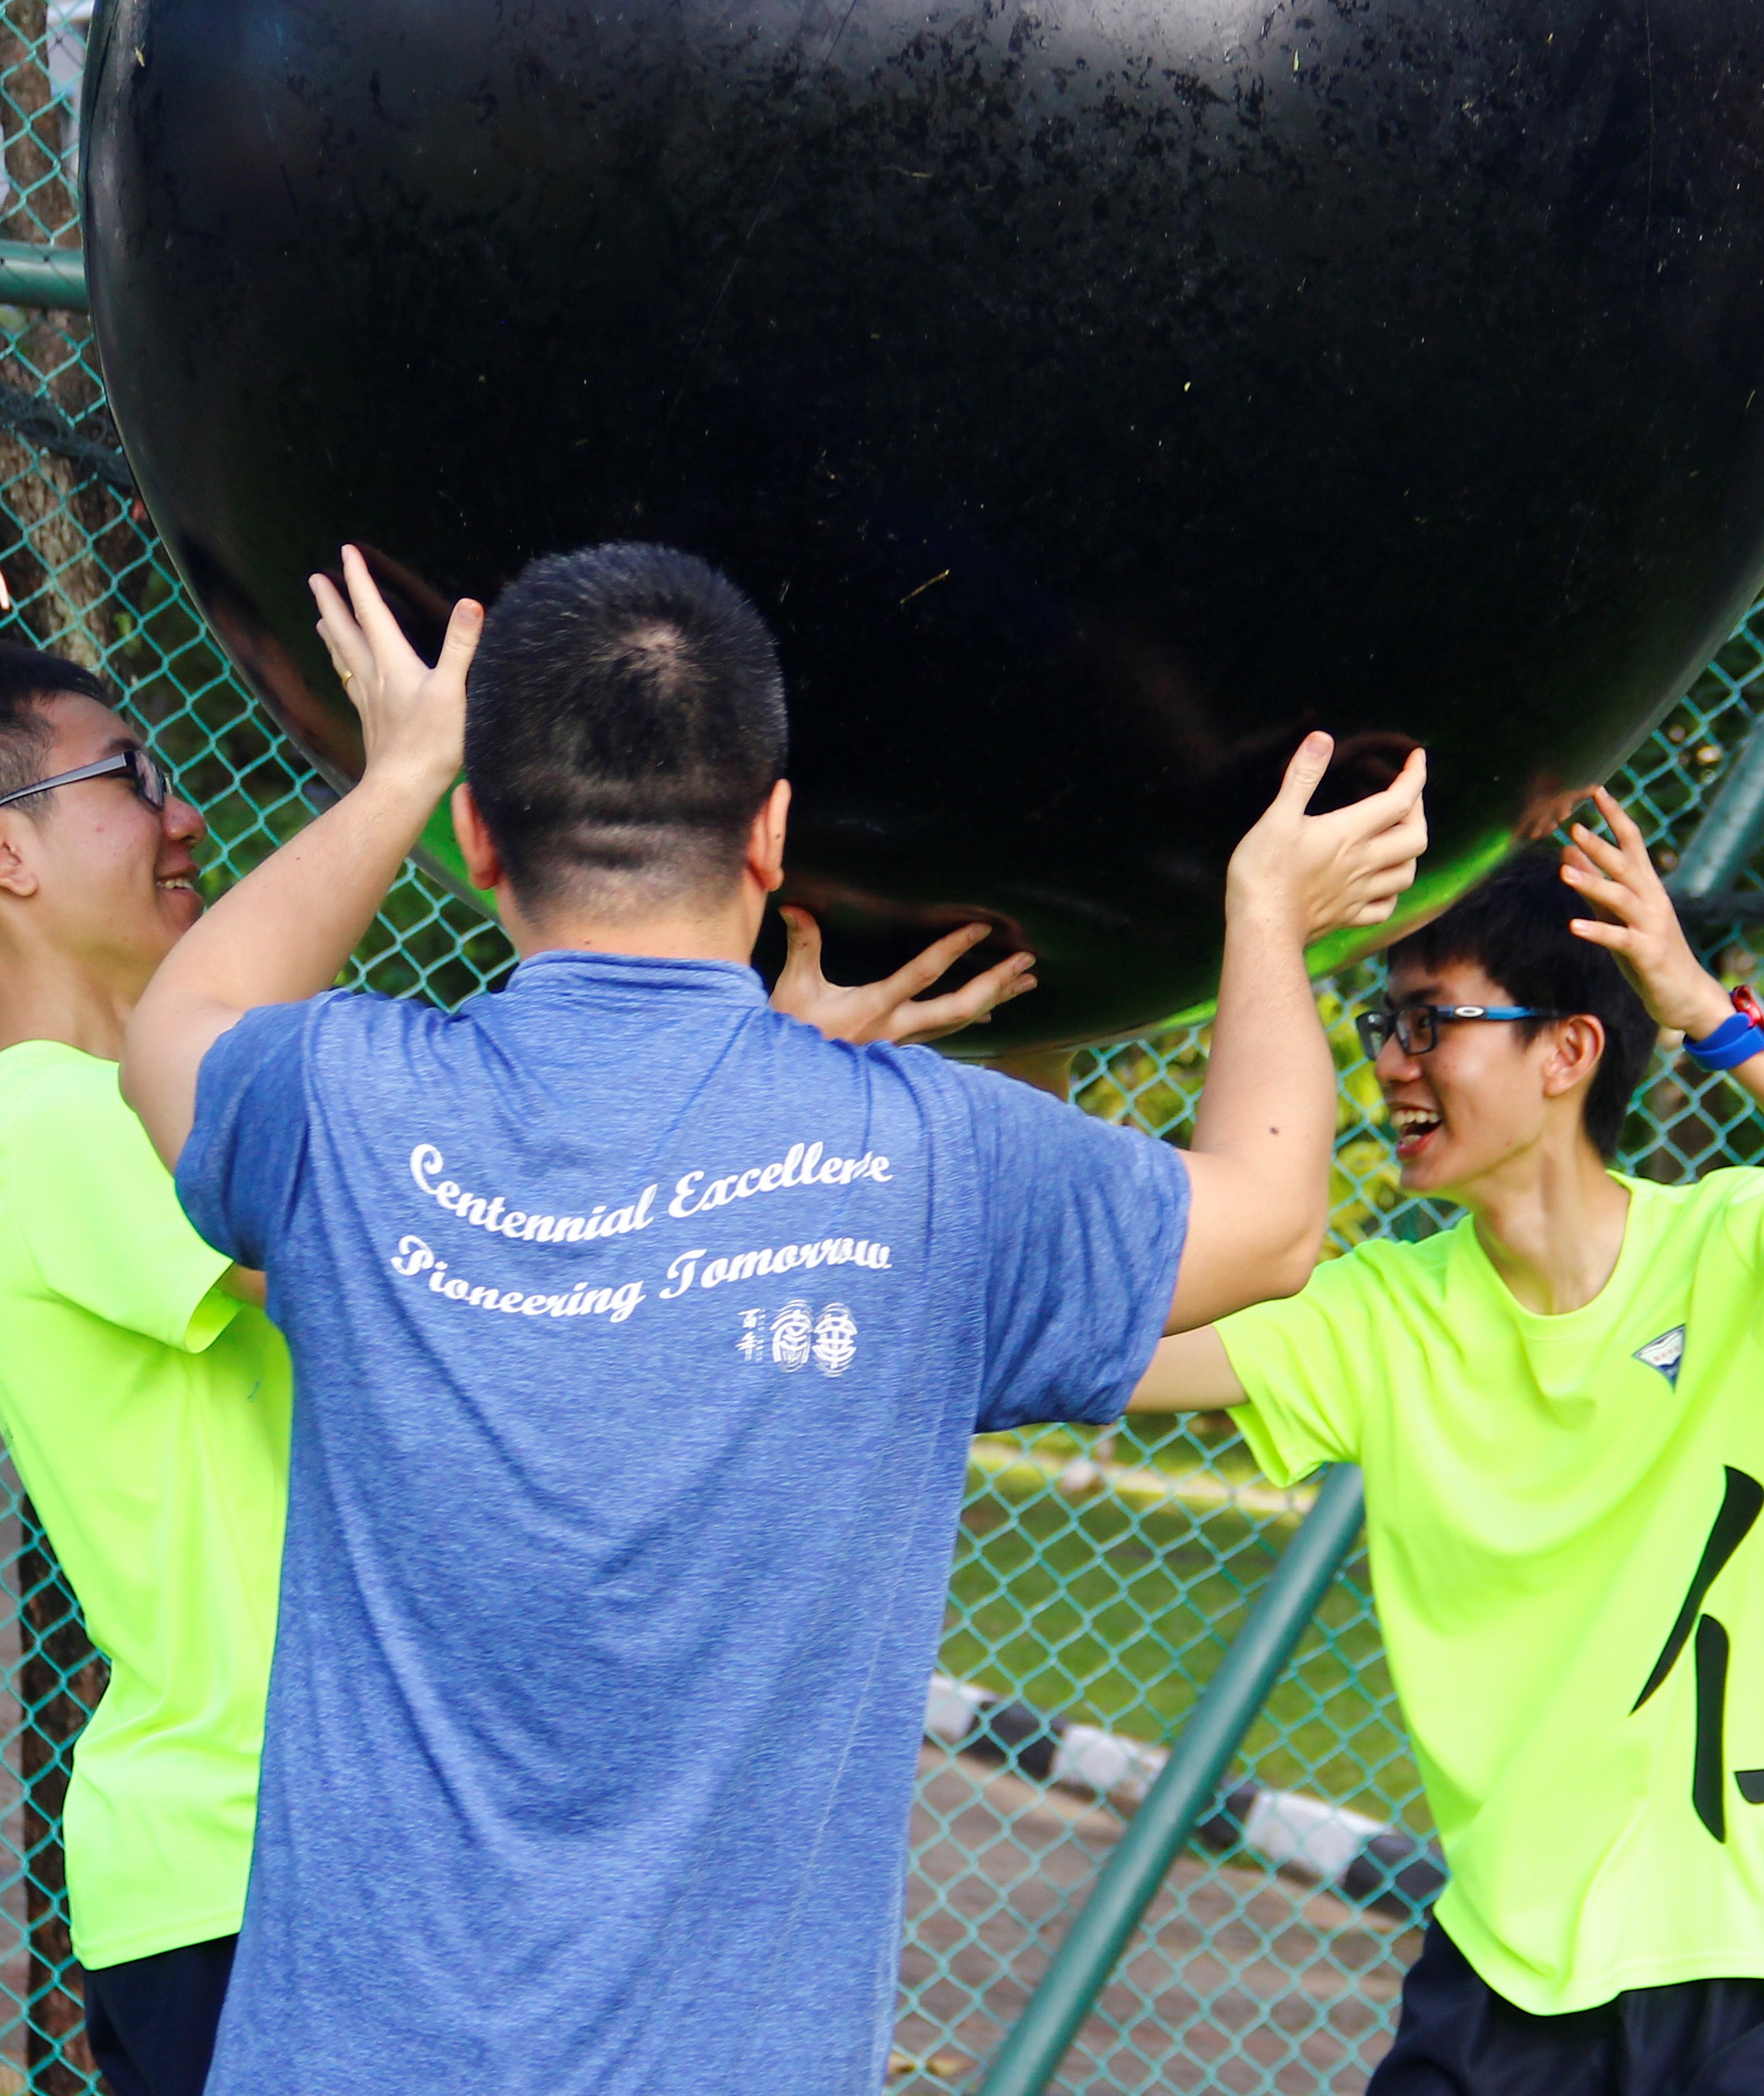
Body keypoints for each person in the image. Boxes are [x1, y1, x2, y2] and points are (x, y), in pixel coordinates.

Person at [116, 539, 1430, 2094]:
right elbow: (1272, 1216)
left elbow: (179, 1025)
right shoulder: (922, 1156)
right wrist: (1265, 914)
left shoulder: (338, 1106)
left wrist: (397, 765)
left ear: (481, 833)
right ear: (773, 834)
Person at [1130, 793, 1764, 2096]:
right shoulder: (1381, 1310)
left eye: (1430, 1021)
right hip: (1511, 1963)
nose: (1393, 1061)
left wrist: (1714, 1019)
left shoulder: (1736, 1245)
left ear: (1568, 1051)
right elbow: (1114, 1339)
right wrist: (1049, 1037)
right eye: (1381, 1024)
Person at [0, 643, 289, 2096]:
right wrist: (402, 782)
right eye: (132, 778)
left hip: (295, 1849)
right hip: (235, 1862)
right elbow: (417, 1260)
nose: (183, 814)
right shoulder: (48, 1125)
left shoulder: (144, 1105)